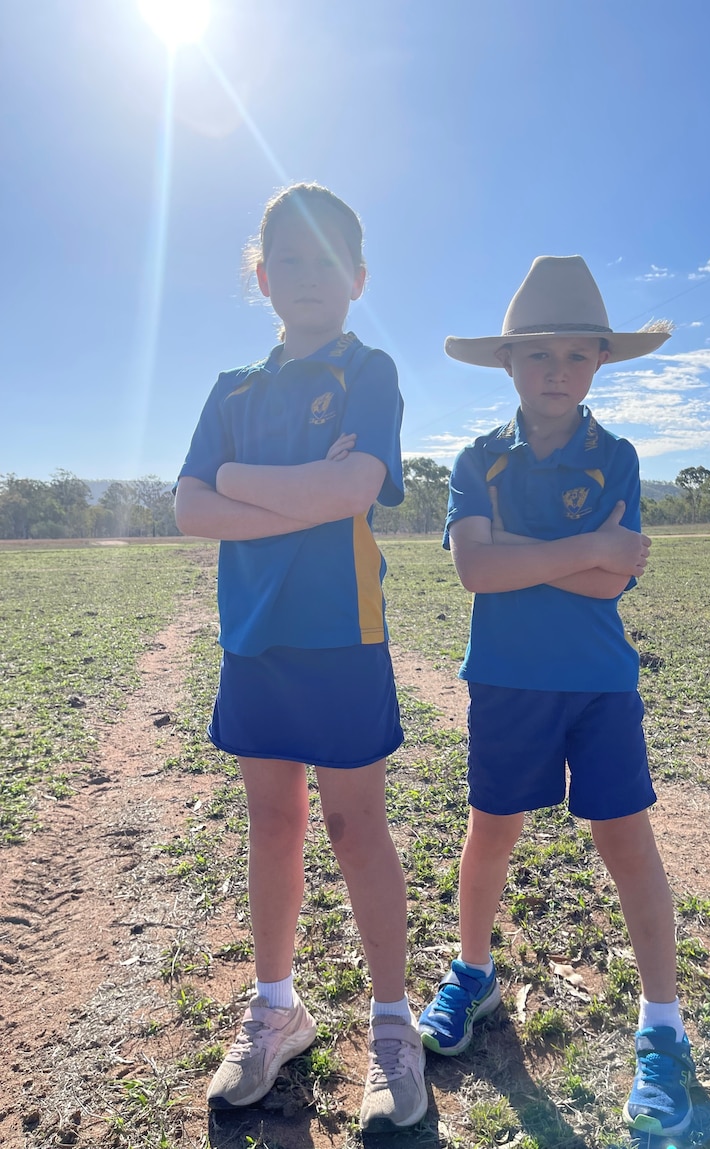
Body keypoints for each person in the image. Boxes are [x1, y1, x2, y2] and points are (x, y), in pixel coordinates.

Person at [417, 256, 696, 1138]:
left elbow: (613, 586)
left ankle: (663, 1027)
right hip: (504, 683)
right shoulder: (477, 459)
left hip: (600, 686)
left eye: (579, 354)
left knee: (627, 841)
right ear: (509, 363)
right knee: (491, 830)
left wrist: (530, 559)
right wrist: (584, 550)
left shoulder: (616, 455)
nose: (558, 369)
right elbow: (475, 570)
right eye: (539, 353)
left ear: (601, 364)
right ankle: (472, 973)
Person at [174, 183, 426, 1132]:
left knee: (359, 832)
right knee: (272, 825)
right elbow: (189, 508)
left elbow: (355, 488)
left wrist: (240, 480)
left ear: (358, 278)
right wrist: (291, 486)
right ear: (263, 275)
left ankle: (393, 1027)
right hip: (254, 642)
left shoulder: (371, 370)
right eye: (292, 259)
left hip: (343, 636)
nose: (310, 276)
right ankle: (276, 1007)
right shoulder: (230, 390)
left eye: (330, 260)